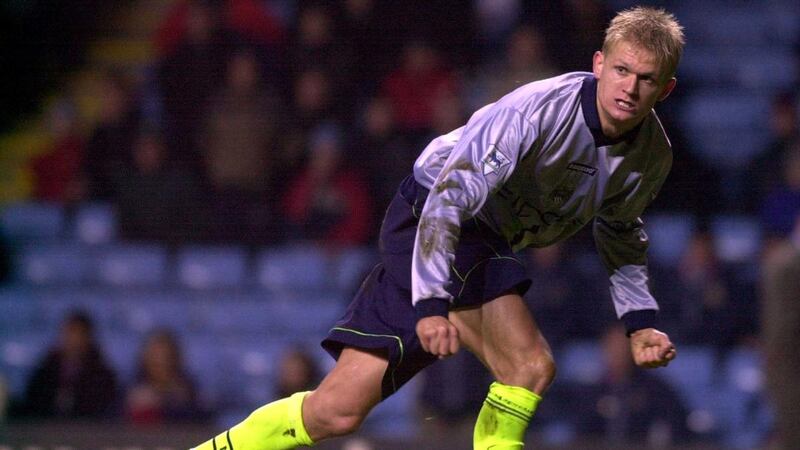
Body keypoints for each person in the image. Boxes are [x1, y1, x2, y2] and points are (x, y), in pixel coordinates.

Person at [193, 7, 684, 449]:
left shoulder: (653, 155)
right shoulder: (535, 110)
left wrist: (639, 322)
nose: (629, 87)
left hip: (472, 240)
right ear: (599, 64)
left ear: (665, 89)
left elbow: (620, 229)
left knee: (335, 411)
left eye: (646, 78)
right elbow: (449, 199)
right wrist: (433, 304)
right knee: (528, 367)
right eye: (621, 70)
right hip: (435, 219)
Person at [19, 311, 118, 419]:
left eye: (80, 333)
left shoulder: (102, 376)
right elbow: (31, 406)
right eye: (70, 332)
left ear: (89, 338)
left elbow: (105, 412)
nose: (74, 339)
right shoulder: (45, 372)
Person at [125, 329, 204, 425]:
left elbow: (200, 423)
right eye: (155, 359)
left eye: (167, 358)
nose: (162, 363)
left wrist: (170, 402)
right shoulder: (131, 392)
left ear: (176, 359)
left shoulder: (190, 392)